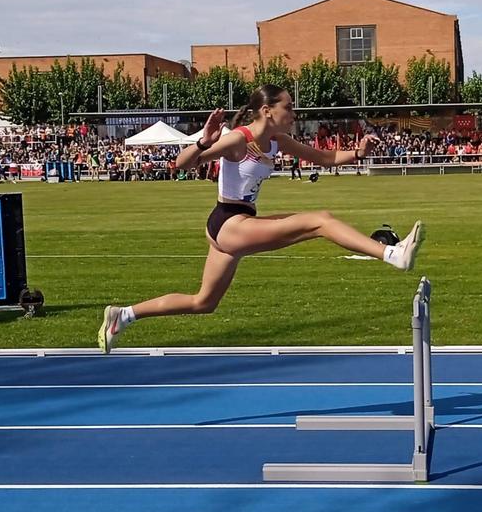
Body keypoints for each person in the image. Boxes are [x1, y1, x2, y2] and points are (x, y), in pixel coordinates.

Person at [98, 84, 425, 353]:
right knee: (320, 221)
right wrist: (203, 141)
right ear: (268, 111)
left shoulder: (277, 141)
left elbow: (323, 157)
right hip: (229, 223)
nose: (294, 114)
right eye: (289, 107)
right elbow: (182, 165)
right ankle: (392, 254)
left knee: (204, 302)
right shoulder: (240, 139)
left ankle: (123, 315)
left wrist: (357, 153)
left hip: (237, 224)